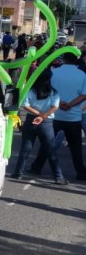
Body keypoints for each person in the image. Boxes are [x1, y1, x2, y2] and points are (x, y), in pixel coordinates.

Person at [29, 52, 86, 180]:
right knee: (76, 147)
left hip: (54, 115)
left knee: (47, 143)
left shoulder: (54, 72)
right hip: (74, 117)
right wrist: (70, 105)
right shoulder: (82, 75)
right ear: (75, 61)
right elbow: (84, 95)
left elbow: (48, 91)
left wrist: (59, 103)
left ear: (63, 60)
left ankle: (37, 167)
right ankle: (80, 172)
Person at [10, 69, 67, 184]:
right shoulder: (53, 92)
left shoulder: (31, 90)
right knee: (50, 150)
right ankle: (58, 177)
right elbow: (55, 107)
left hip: (31, 120)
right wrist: (43, 116)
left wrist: (38, 114)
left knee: (25, 148)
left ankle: (18, 173)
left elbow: (25, 105)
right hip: (47, 123)